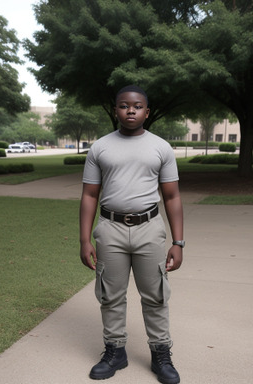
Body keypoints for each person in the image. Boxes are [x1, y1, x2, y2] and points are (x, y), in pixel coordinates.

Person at [79, 85, 184, 384]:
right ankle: (115, 351)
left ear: (147, 112)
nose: (131, 111)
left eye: (137, 106)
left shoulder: (161, 147)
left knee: (156, 295)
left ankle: (161, 354)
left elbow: (172, 197)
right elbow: (89, 195)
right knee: (110, 296)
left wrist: (178, 242)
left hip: (149, 228)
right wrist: (85, 239)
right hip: (109, 229)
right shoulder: (100, 147)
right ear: (116, 110)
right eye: (124, 106)